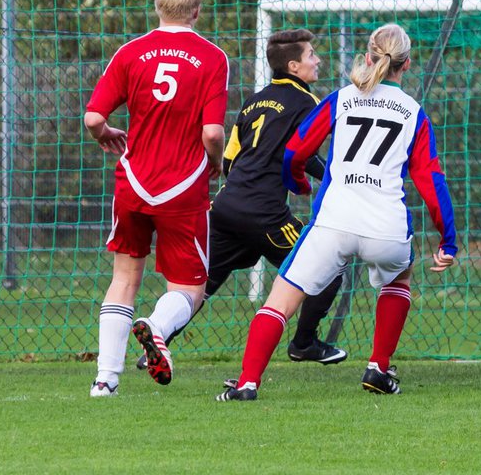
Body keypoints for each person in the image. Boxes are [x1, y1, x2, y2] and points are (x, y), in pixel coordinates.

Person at [217, 23, 458, 401]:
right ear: (406, 65)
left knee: (281, 298)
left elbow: (296, 151)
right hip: (385, 226)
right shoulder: (414, 113)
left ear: (367, 57)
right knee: (400, 276)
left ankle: (248, 383)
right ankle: (378, 367)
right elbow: (432, 180)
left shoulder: (340, 99)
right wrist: (449, 240)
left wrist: (296, 178)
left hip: (332, 222)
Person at [134, 29, 348, 369]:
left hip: (225, 207)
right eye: (311, 56)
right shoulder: (307, 103)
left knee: (199, 286)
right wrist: (342, 180)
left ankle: (158, 334)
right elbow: (305, 157)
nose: (317, 60)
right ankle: (305, 343)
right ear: (294, 66)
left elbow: (231, 160)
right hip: (265, 215)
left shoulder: (254, 100)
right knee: (329, 269)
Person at [83, 0, 228, 397]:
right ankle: (157, 327)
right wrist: (216, 161)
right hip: (182, 188)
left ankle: (105, 379)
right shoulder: (211, 57)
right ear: (197, 8)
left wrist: (105, 134)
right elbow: (213, 132)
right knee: (190, 287)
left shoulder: (130, 52)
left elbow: (93, 118)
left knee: (124, 276)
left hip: (133, 181)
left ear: (157, 3)